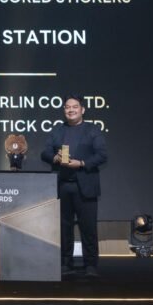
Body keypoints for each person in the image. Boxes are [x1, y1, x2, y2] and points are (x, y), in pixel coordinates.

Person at [41, 95, 107, 277]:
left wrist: (82, 163)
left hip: (85, 185)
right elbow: (45, 153)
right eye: (67, 107)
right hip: (62, 185)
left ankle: (91, 265)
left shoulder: (93, 130)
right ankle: (65, 262)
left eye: (75, 107)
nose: (71, 110)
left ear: (82, 110)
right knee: (64, 228)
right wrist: (54, 157)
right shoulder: (58, 130)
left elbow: (102, 155)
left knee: (88, 227)